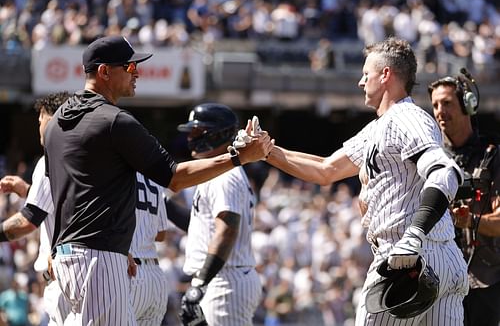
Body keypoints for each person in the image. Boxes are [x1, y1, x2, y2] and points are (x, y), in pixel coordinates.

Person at [43, 36, 272, 326]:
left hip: (67, 256)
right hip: (97, 259)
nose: (137, 72)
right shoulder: (114, 121)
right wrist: (239, 157)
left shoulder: (57, 123)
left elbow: (60, 194)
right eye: (129, 66)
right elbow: (174, 178)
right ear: (104, 72)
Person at [264, 37, 468, 324]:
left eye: (366, 74)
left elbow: (444, 171)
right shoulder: (378, 128)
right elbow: (325, 169)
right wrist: (267, 151)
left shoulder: (407, 117)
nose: (361, 82)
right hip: (433, 255)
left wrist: (414, 235)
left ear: (385, 75)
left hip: (406, 254)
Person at [177, 103, 262, 325]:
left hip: (225, 279)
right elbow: (202, 225)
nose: (190, 138)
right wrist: (164, 205)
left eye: (198, 132)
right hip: (225, 277)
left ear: (220, 134)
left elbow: (226, 231)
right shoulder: (220, 172)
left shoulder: (224, 175)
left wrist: (200, 283)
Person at [428, 74, 500, 326]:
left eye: (446, 103)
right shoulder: (431, 159)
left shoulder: (492, 157)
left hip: (483, 280)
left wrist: (469, 220)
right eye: (435, 105)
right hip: (438, 278)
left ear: (468, 105)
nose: (439, 111)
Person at [0, 91, 71, 325]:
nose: (38, 125)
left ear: (50, 119)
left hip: (66, 278)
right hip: (104, 270)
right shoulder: (89, 157)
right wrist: (29, 191)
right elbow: (64, 205)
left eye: (40, 119)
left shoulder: (51, 157)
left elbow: (29, 220)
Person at [129, 172, 169, 326]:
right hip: (155, 276)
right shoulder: (152, 174)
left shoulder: (115, 166)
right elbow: (161, 233)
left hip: (129, 272)